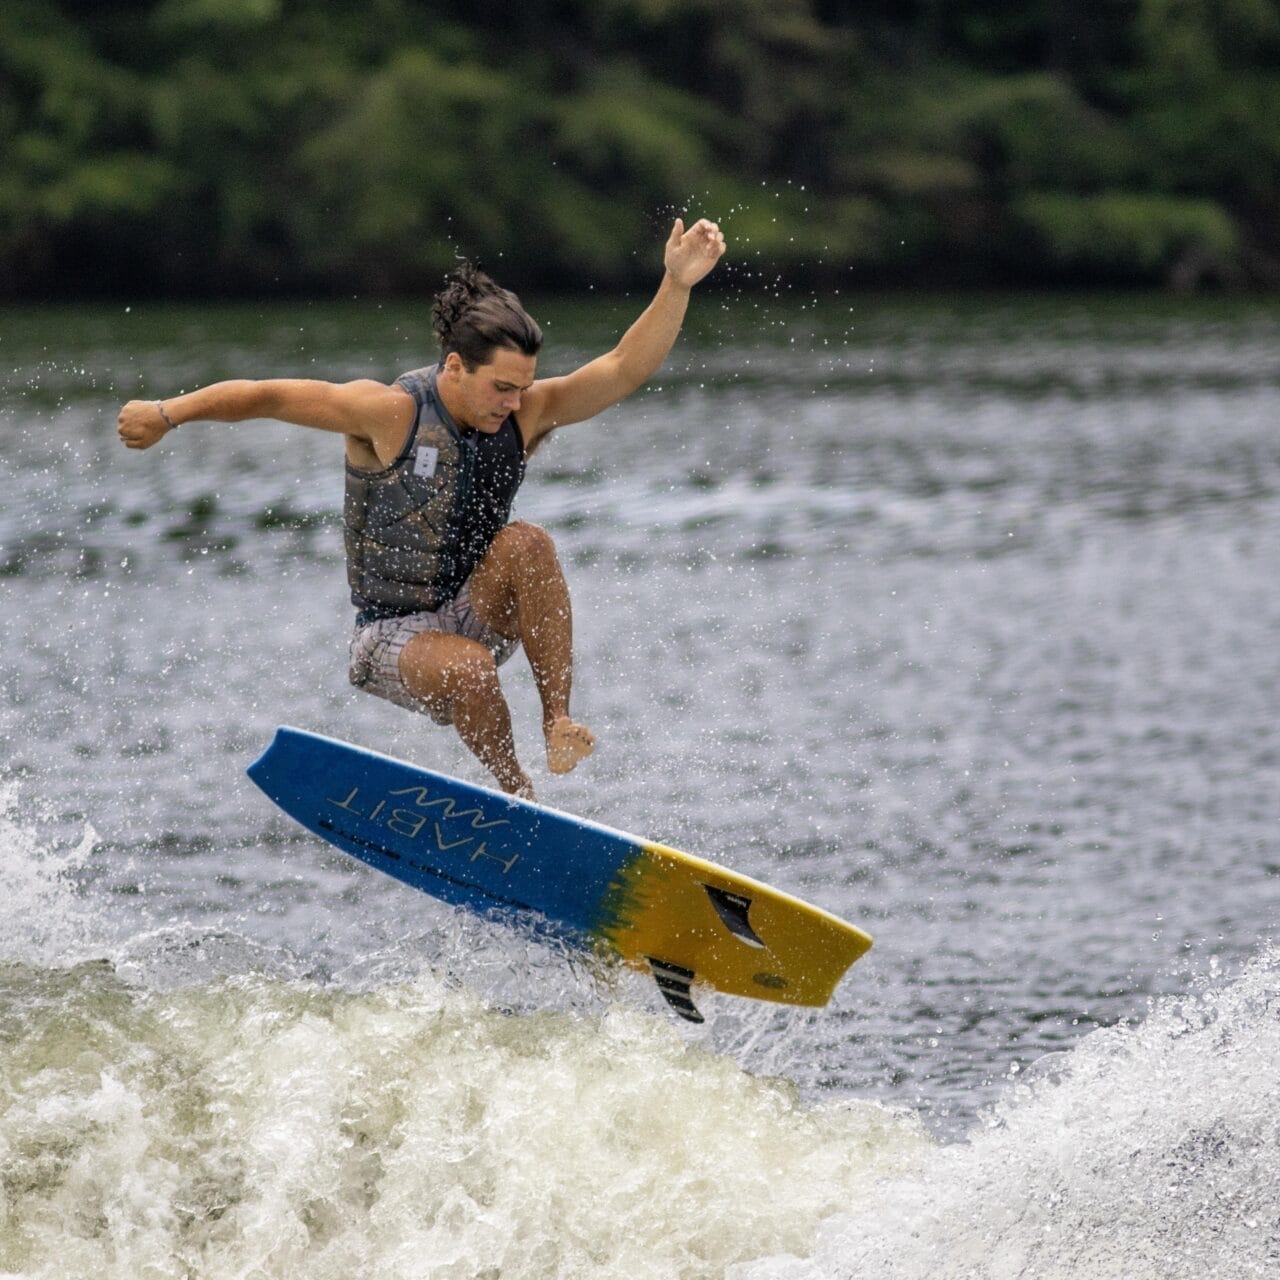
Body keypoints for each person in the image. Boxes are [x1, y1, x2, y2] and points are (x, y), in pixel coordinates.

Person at [119, 217, 726, 799]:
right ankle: (517, 793)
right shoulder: (389, 412)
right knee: (469, 671)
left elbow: (623, 368)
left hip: (476, 609)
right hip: (391, 637)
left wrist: (675, 283)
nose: (516, 404)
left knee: (529, 543)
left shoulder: (526, 410)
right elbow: (269, 396)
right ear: (456, 367)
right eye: (502, 388)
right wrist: (169, 413)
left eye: (523, 387)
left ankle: (558, 723)